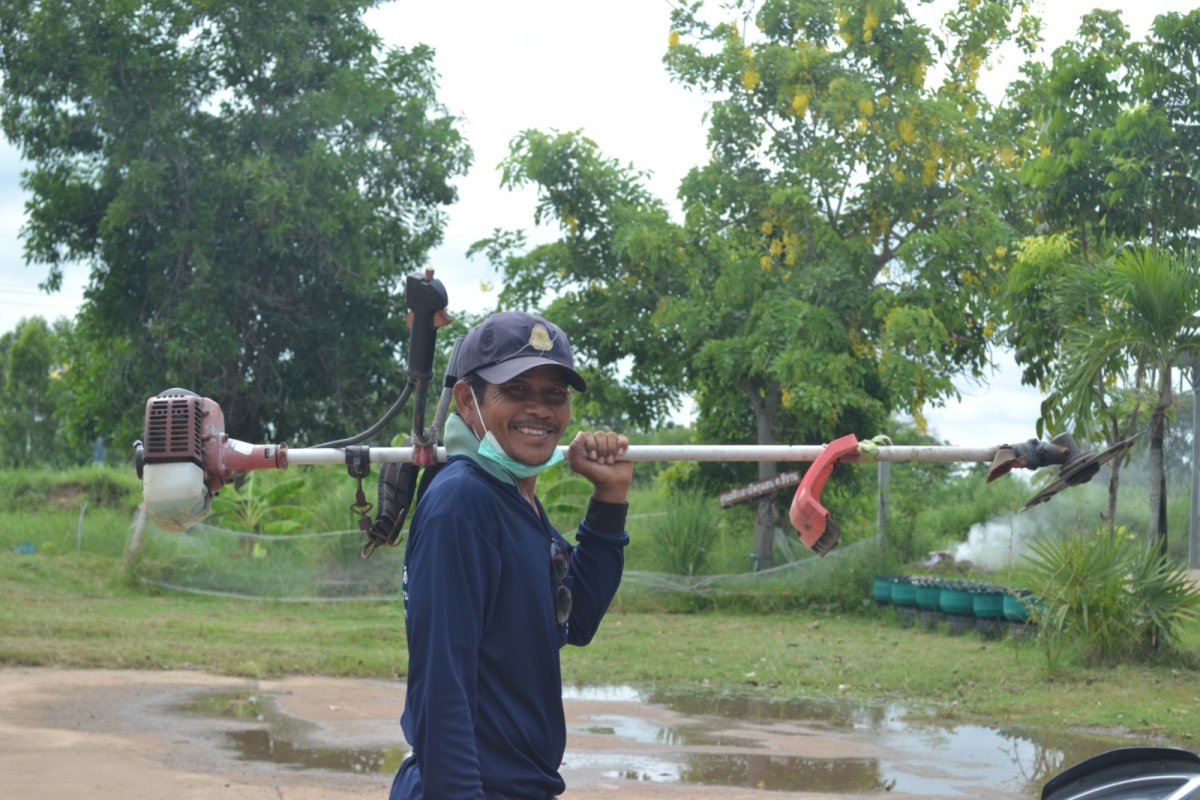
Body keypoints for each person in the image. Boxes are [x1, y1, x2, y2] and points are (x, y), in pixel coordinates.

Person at [390, 310, 632, 800]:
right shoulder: (464, 503)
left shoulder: (515, 498)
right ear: (467, 399)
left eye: (554, 394)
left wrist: (609, 500)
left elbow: (575, 616)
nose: (539, 410)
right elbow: (443, 685)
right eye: (516, 390)